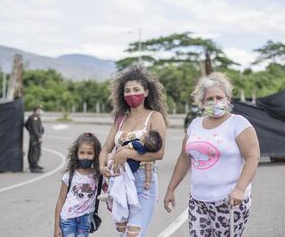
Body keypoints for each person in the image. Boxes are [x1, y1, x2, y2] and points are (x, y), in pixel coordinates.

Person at [164, 72, 260, 237]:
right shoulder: (194, 125)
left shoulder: (239, 123)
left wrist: (240, 189)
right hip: (198, 201)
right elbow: (183, 159)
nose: (215, 102)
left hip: (229, 201)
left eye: (219, 97)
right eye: (210, 99)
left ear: (228, 99)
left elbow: (253, 157)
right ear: (202, 102)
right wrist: (171, 189)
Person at [99, 64, 167, 237]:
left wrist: (128, 153)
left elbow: (159, 153)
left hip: (144, 183)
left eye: (136, 89)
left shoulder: (155, 117)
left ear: (146, 92)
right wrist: (102, 166)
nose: (131, 94)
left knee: (133, 234)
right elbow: (106, 148)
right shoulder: (120, 118)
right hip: (118, 183)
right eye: (127, 90)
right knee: (123, 233)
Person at [53, 132, 102, 237]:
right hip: (68, 219)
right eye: (82, 153)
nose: (85, 156)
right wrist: (56, 227)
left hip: (86, 219)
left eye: (90, 153)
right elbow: (61, 200)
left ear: (96, 155)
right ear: (76, 154)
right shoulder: (69, 175)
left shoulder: (98, 175)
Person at [24, 105, 45, 173]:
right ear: (37, 110)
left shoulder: (34, 116)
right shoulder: (35, 117)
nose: (41, 111)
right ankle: (34, 167)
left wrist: (30, 131)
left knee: (34, 151)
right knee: (35, 152)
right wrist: (38, 136)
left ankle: (33, 165)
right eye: (40, 109)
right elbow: (35, 128)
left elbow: (26, 124)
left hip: (34, 136)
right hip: (35, 137)